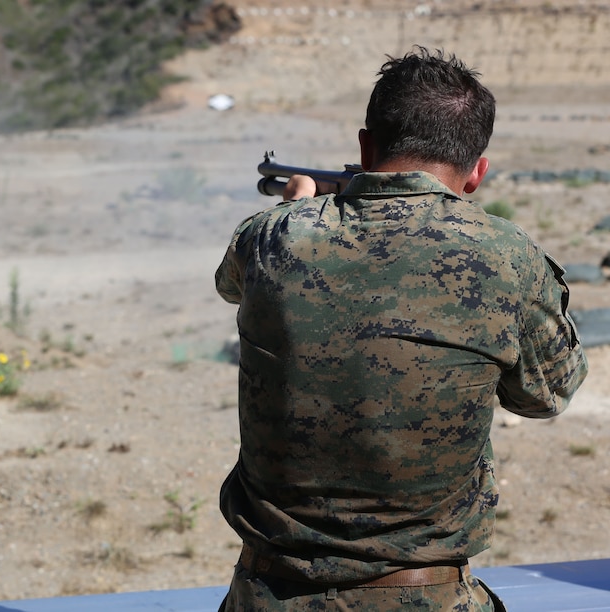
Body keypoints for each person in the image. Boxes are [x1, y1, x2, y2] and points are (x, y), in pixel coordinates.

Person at [214, 47, 588, 611]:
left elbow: (233, 285)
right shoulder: (507, 256)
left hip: (266, 595)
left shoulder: (272, 236)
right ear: (477, 171)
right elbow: (547, 394)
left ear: (366, 148)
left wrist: (289, 212)